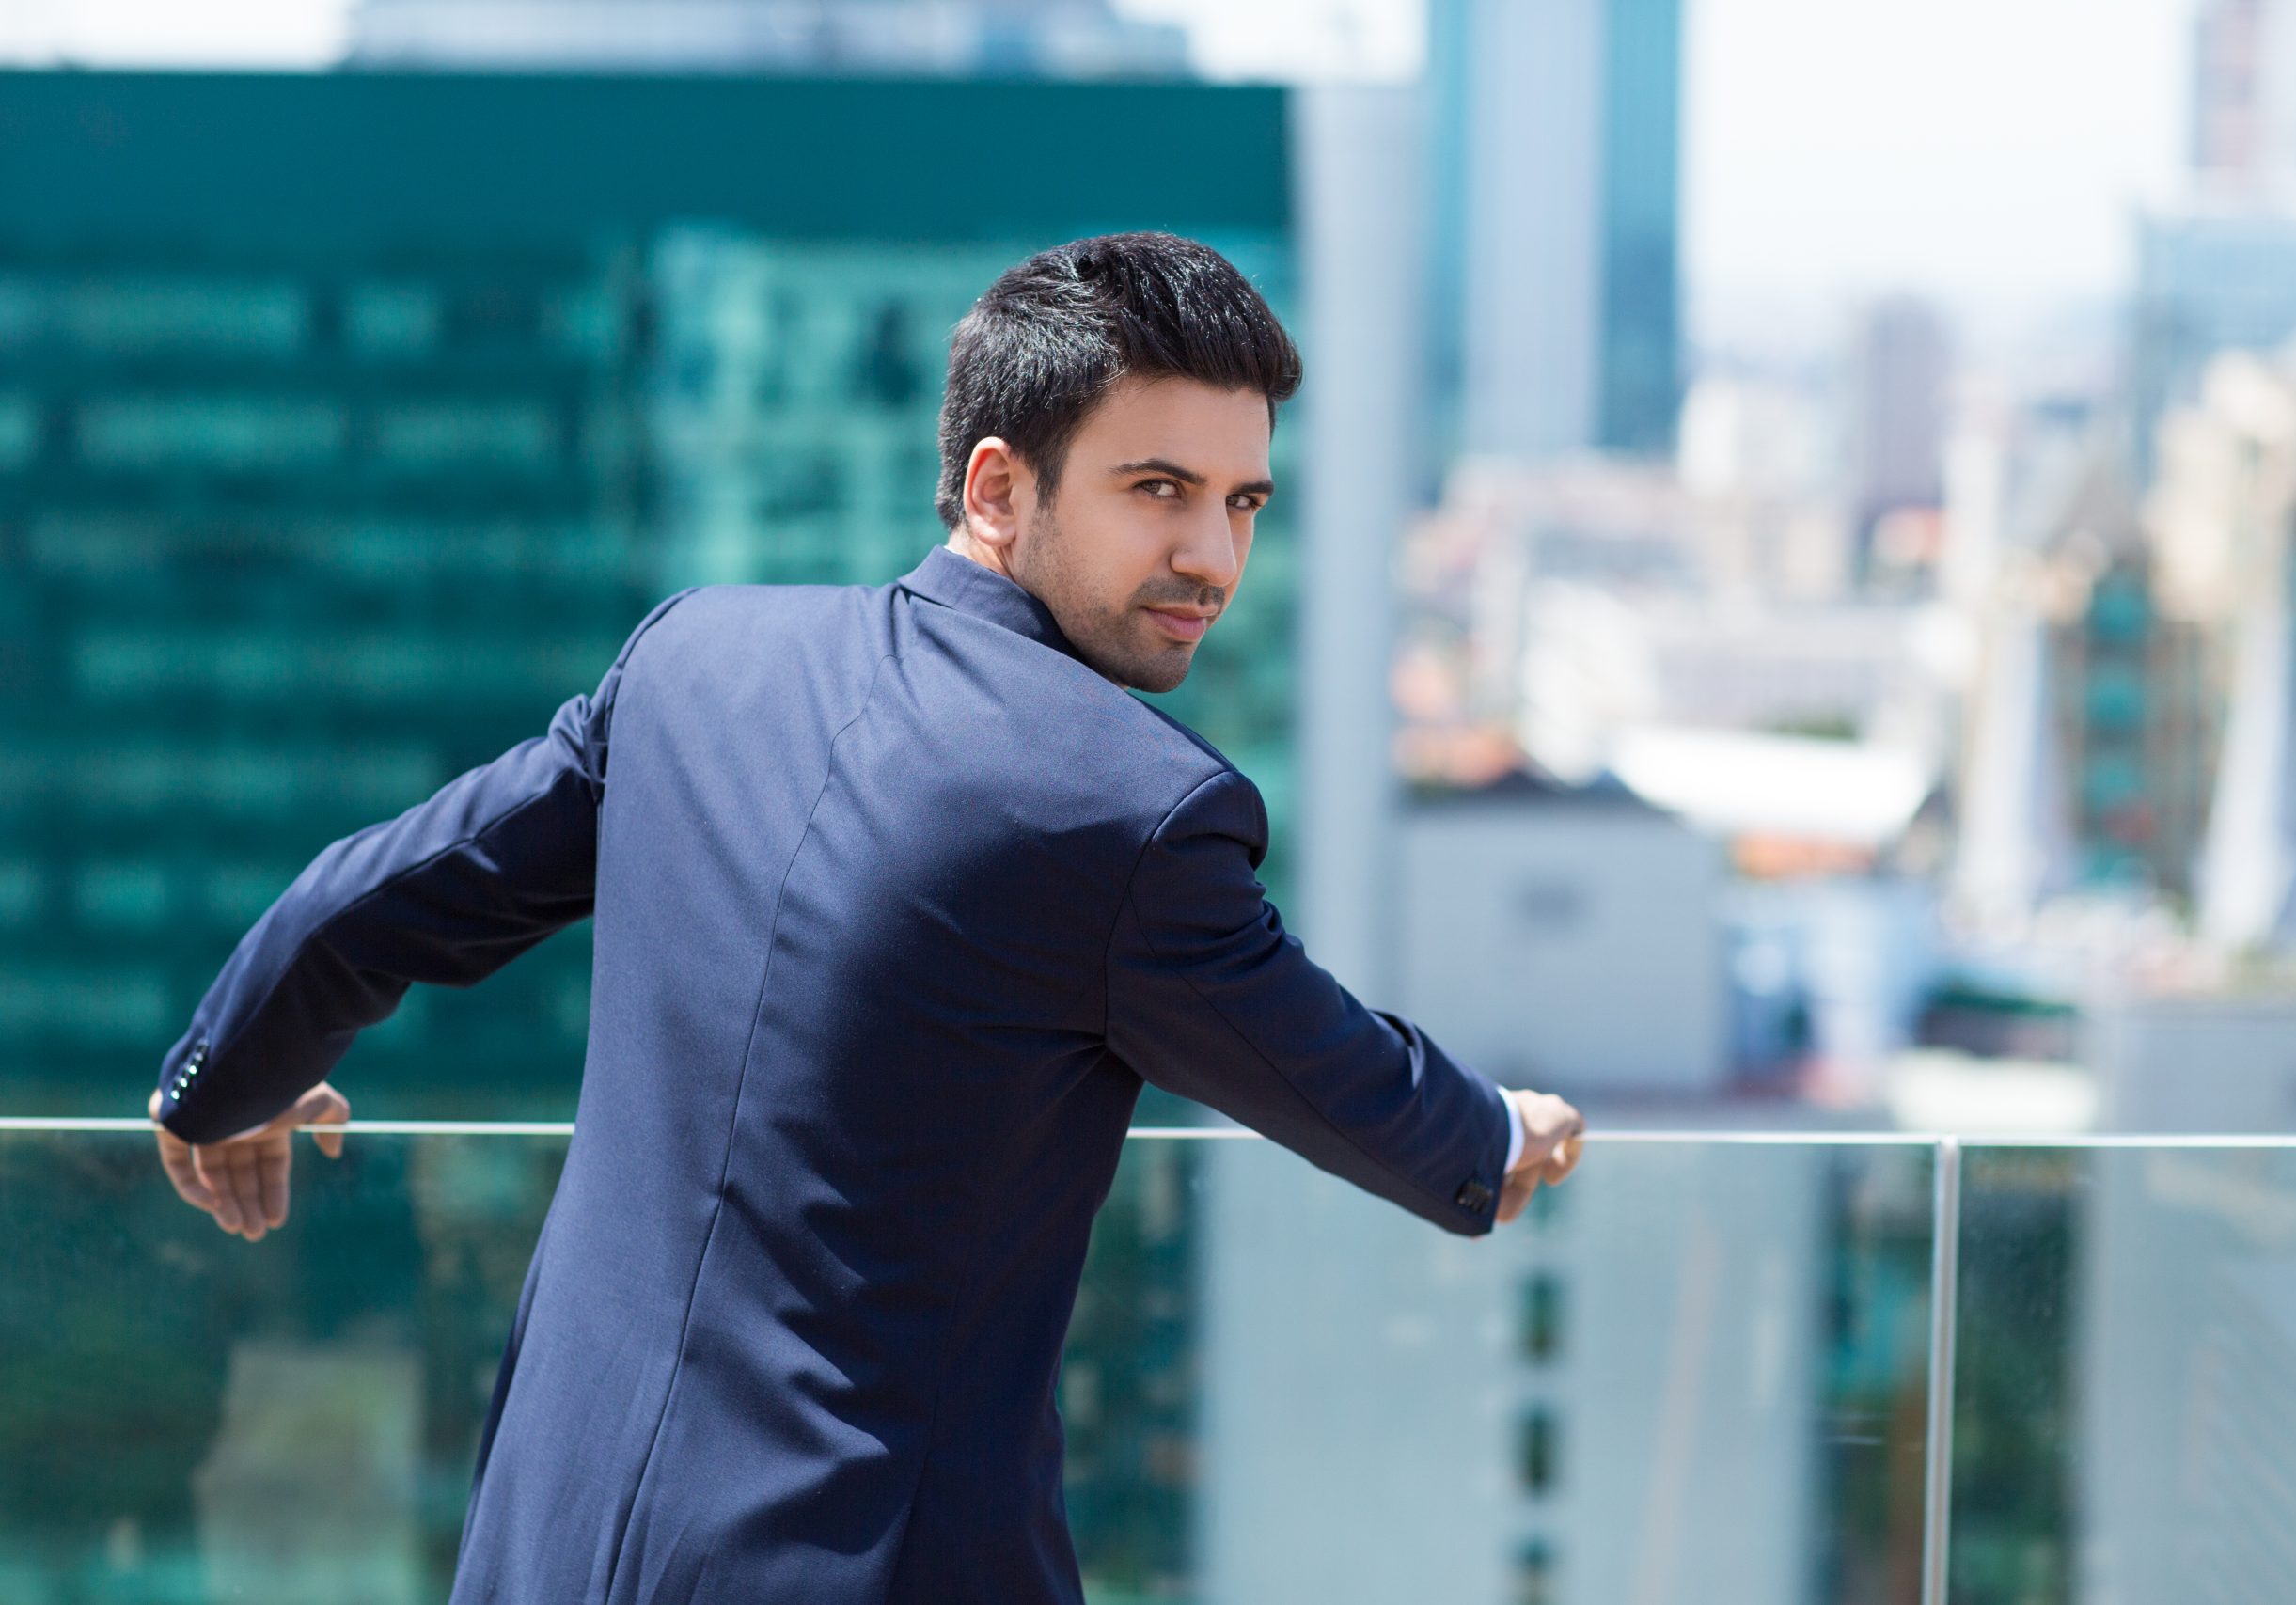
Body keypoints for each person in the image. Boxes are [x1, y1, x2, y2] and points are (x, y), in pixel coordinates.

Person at [145, 230, 1588, 1603]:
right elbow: (1332, 1075)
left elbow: (393, 894)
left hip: (552, 1536)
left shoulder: (697, 659)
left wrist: (224, 1084)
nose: (1213, 555)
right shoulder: (1134, 812)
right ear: (997, 487)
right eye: (1159, 490)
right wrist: (1493, 1138)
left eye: (1243, 502)